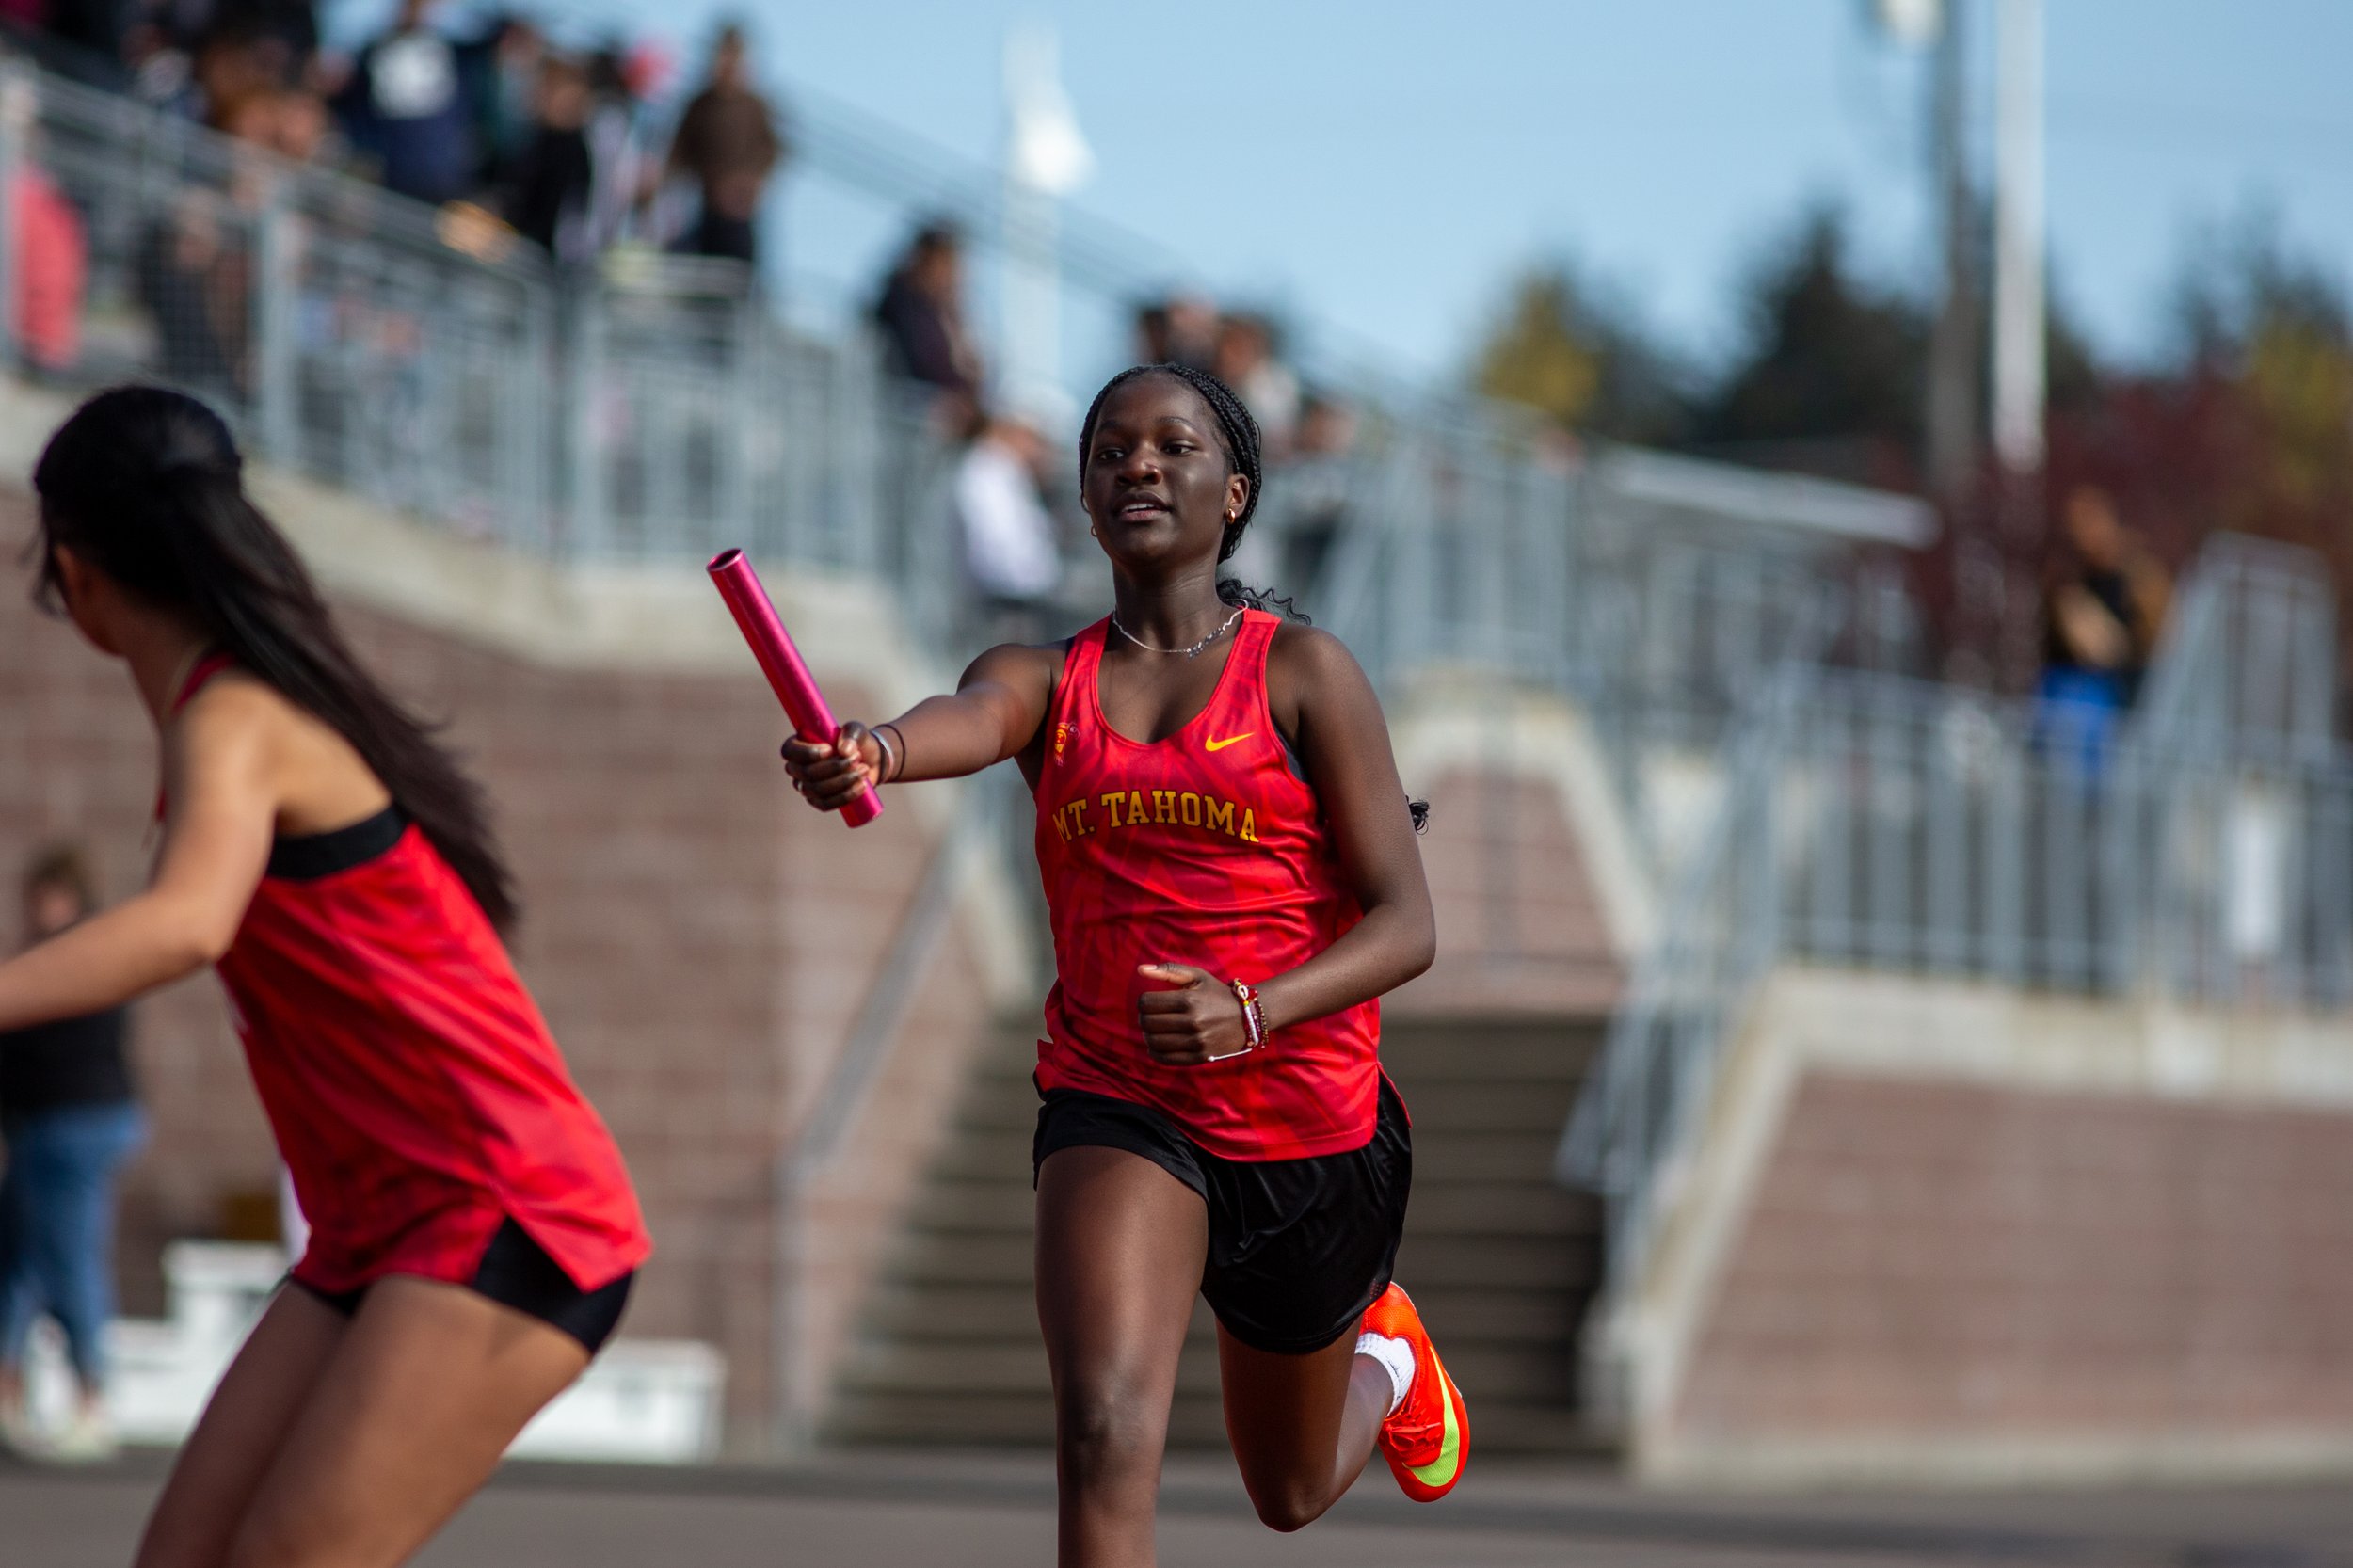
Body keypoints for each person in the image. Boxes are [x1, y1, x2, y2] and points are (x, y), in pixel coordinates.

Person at [784, 363, 1466, 1560]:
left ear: (1235, 490)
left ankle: (1388, 1354)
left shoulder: (1304, 672)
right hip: (1120, 1100)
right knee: (1103, 1430)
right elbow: (970, 715)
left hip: (1306, 1126)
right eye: (1109, 449)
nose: (1137, 464)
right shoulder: (1043, 677)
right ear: (1086, 500)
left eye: (1172, 446)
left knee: (1291, 1488)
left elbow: (1406, 925)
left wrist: (1252, 1010)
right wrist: (878, 750)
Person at [5, 385, 648, 1567]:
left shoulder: (235, 720)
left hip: (511, 1210)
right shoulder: (240, 716)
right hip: (378, 1229)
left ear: (77, 577)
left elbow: (184, 925)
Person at [0, 846, 147, 1463]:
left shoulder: (78, 963)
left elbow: (41, 1054)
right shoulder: (47, 962)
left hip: (75, 1125)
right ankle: (11, 1393)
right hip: (47, 1128)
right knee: (19, 1262)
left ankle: (92, 1398)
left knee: (67, 1258)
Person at [333, 0, 474, 207]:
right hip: (390, 181)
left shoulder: (457, 53)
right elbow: (357, 113)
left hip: (444, 181)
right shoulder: (374, 52)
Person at [664, 22, 780, 265]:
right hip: (703, 206)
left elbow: (772, 151)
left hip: (741, 214)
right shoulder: (700, 105)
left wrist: (747, 184)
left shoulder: (755, 106)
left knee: (738, 272)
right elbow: (679, 151)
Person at [872, 221, 981, 414]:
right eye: (944, 264)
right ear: (924, 260)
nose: (951, 276)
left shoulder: (942, 311)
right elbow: (925, 362)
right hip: (907, 411)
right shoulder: (904, 303)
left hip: (932, 413)